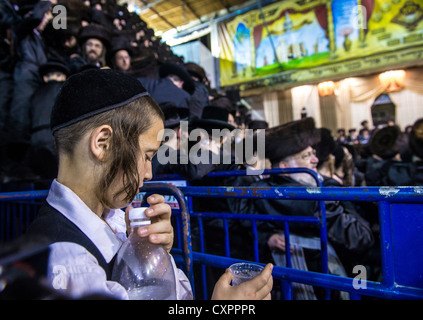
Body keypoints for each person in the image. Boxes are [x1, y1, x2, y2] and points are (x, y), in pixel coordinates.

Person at [24, 68, 272, 300]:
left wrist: (151, 255)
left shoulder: (118, 222)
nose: (149, 173)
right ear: (103, 144)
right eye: (146, 156)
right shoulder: (64, 261)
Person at [241, 117, 374, 299]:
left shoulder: (260, 193)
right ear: (285, 166)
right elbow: (361, 238)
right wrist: (267, 238)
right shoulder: (324, 192)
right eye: (306, 156)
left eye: (313, 153)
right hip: (327, 283)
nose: (315, 160)